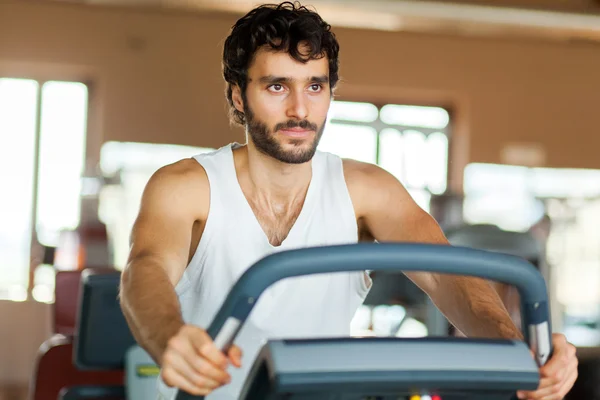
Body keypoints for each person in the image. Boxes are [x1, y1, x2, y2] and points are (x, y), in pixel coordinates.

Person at [119, 2, 578, 399]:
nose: (300, 109)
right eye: (277, 86)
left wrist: (518, 352)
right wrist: (170, 337)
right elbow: (147, 268)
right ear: (239, 96)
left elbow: (446, 276)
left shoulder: (367, 189)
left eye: (315, 86)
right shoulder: (186, 186)